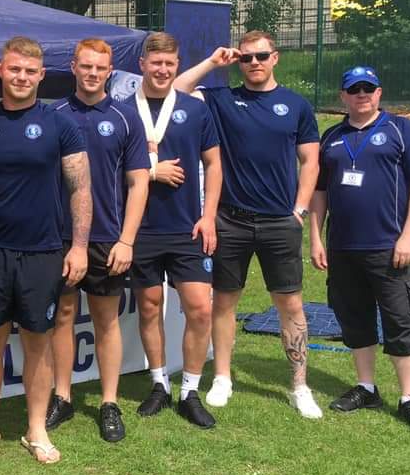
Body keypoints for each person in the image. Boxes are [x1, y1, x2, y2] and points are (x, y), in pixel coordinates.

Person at [174, 31, 322, 418]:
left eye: (261, 56)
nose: (254, 63)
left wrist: (300, 210)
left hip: (279, 222)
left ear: (276, 58)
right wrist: (212, 62)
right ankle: (222, 376)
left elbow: (310, 161)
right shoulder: (223, 99)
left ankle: (299, 386)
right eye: (246, 58)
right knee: (223, 301)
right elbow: (176, 88)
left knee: (290, 304)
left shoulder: (296, 105)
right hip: (230, 220)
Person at [0, 36, 91, 463]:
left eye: (30, 71)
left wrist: (78, 247)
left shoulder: (60, 123)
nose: (21, 77)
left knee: (38, 342)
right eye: (14, 69)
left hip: (43, 251)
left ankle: (36, 428)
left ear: (42, 76)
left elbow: (80, 189)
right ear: (0, 70)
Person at [310, 67, 410, 434]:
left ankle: (409, 398)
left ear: (379, 93)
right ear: (343, 96)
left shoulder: (401, 129)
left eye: (368, 88)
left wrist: (409, 235)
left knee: (400, 321)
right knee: (354, 320)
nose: (362, 94)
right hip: (343, 249)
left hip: (389, 247)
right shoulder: (331, 137)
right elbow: (320, 192)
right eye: (354, 89)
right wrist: (316, 238)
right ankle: (366, 387)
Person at [47, 38, 149, 442]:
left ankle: (109, 402)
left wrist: (126, 240)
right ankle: (62, 396)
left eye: (100, 68)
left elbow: (139, 184)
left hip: (108, 238)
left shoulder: (126, 119)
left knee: (107, 320)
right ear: (73, 66)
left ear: (110, 71)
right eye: (86, 66)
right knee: (64, 317)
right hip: (62, 238)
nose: (92, 73)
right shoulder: (53, 115)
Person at [126, 32, 222, 428]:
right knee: (149, 307)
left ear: (177, 65)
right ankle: (159, 383)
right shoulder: (123, 110)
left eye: (169, 63)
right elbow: (112, 168)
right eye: (155, 62)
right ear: (142, 65)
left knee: (200, 308)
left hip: (187, 227)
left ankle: (191, 391)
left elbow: (214, 164)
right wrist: (151, 171)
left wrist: (210, 215)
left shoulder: (195, 109)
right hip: (142, 228)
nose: (162, 70)